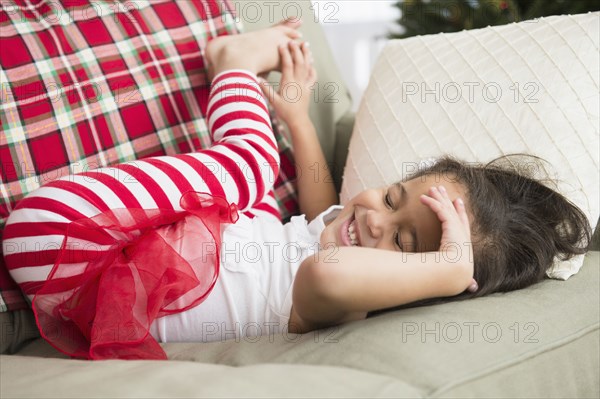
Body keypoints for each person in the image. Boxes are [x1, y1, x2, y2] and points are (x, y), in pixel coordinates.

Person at [1, 19, 591, 360]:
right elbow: (322, 207)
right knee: (254, 196)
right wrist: (299, 120)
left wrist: (449, 268)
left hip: (59, 244)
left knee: (252, 171)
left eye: (406, 245)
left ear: (416, 285)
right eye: (391, 197)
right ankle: (242, 96)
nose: (376, 221)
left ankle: (231, 66)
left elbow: (322, 273)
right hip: (127, 243)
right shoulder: (340, 232)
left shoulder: (348, 298)